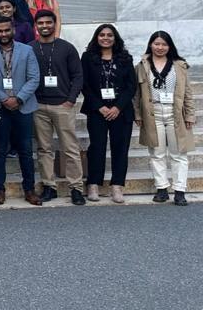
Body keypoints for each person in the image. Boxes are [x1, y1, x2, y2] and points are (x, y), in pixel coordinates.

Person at [0, 16, 42, 206]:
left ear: (13, 30)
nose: (4, 34)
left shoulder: (27, 50)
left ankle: (29, 189)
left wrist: (19, 98)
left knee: (25, 150)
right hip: (0, 107)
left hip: (23, 106)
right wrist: (5, 99)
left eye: (7, 30)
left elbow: (34, 78)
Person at [134, 31, 195, 206]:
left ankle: (180, 190)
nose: (160, 47)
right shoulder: (142, 65)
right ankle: (161, 188)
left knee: (179, 153)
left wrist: (190, 114)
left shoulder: (179, 65)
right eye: (157, 44)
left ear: (169, 46)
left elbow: (188, 92)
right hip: (153, 112)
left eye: (164, 44)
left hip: (175, 112)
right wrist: (138, 114)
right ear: (150, 45)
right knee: (157, 153)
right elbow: (136, 94)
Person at [31, 9, 85, 204]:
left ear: (54, 24)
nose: (45, 26)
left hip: (63, 105)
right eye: (41, 23)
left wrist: (71, 99)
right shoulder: (30, 48)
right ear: (36, 26)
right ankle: (49, 186)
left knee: (70, 148)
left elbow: (78, 76)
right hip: (38, 106)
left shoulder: (67, 48)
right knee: (44, 149)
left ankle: (76, 188)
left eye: (48, 22)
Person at [81, 24, 136, 204]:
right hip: (97, 110)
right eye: (102, 35)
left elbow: (131, 86)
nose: (106, 38)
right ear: (97, 37)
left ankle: (117, 186)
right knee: (97, 147)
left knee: (120, 148)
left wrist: (117, 107)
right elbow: (84, 85)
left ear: (115, 38)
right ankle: (93, 184)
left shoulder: (125, 58)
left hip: (121, 111)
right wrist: (100, 107)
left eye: (109, 35)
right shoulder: (88, 57)